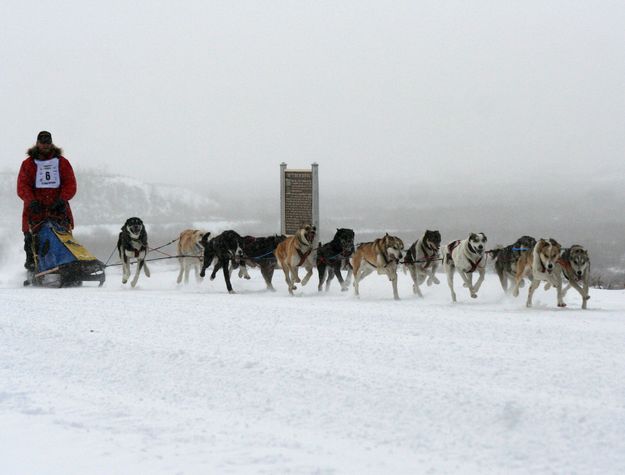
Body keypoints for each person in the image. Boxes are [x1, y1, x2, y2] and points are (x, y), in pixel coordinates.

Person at [17, 131, 77, 271]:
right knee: (31, 241)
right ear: (37, 143)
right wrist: (31, 201)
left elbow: (70, 183)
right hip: (35, 212)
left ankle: (67, 265)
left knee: (63, 239)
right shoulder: (28, 164)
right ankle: (33, 269)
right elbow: (22, 186)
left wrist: (62, 199)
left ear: (51, 143)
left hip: (58, 211)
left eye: (47, 142)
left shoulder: (62, 163)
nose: (45, 145)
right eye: (42, 142)